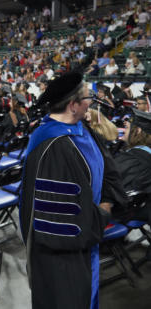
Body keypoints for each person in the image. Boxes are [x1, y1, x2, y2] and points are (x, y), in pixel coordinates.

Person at [20, 72, 124, 309]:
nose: (92, 101)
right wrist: (103, 213)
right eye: (88, 96)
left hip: (87, 241)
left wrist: (105, 203)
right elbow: (60, 221)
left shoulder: (80, 129)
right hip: (63, 259)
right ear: (73, 105)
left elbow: (109, 169)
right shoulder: (53, 146)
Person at [115, 109, 151, 261]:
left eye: (128, 128)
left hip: (124, 211)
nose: (124, 131)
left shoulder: (132, 159)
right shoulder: (144, 154)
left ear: (138, 130)